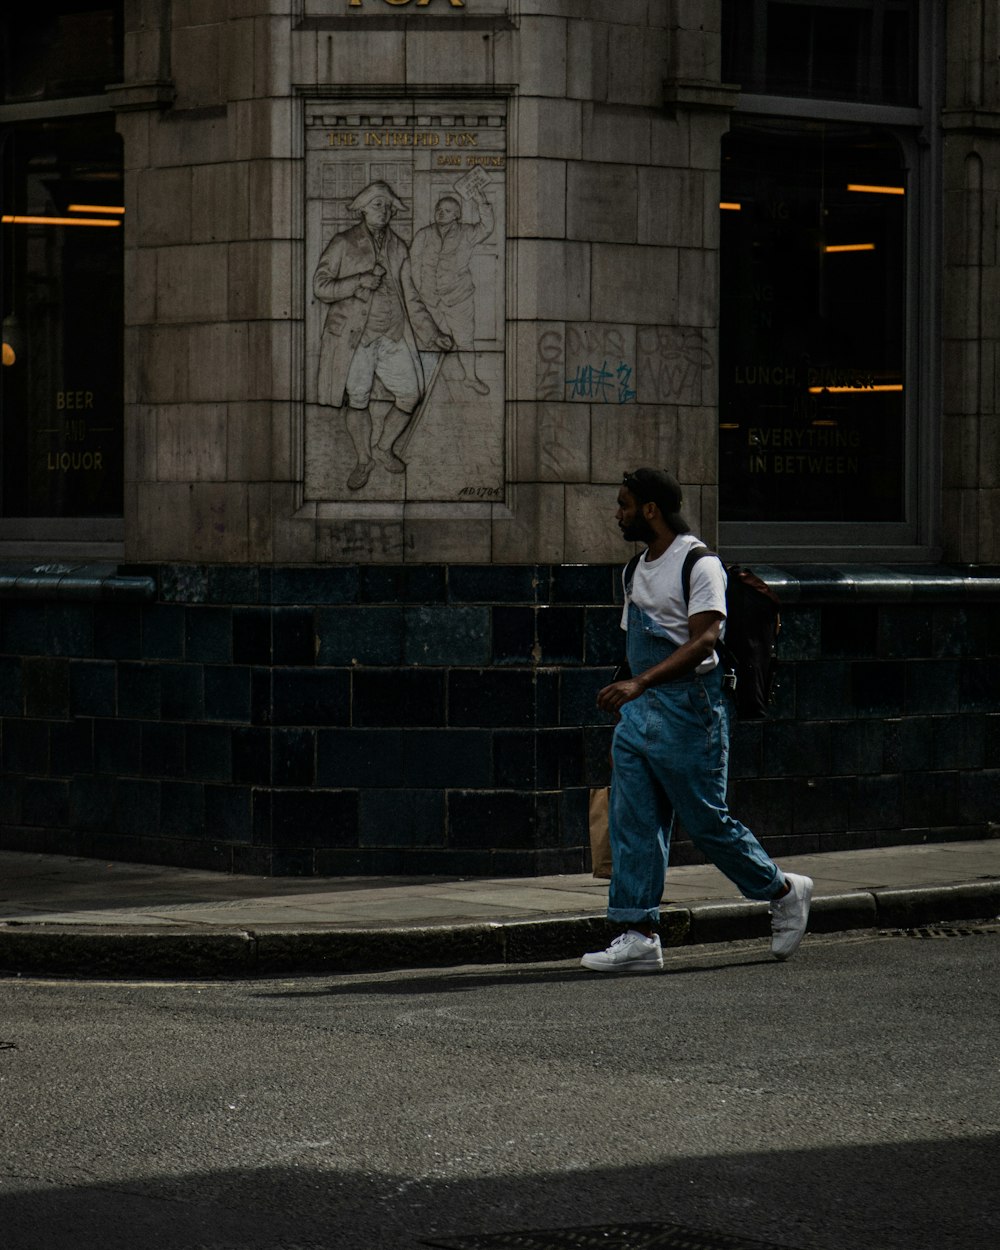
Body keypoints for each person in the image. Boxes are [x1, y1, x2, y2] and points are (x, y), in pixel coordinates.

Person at [581, 467, 813, 973]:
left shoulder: (699, 562)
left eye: (624, 505)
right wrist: (628, 692)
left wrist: (640, 683)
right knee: (633, 819)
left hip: (692, 711)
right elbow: (639, 645)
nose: (617, 514)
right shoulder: (634, 569)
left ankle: (782, 890)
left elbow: (705, 640)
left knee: (708, 823)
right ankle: (638, 932)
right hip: (640, 714)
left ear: (650, 509)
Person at [313, 181, 453, 491]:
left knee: (410, 394)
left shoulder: (398, 246)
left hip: (392, 335)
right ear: (362, 207)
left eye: (389, 206)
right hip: (356, 338)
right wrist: (359, 281)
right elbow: (320, 287)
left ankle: (383, 448)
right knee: (358, 399)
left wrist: (432, 335)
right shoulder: (343, 242)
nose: (385, 211)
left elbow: (412, 296)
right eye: (378, 204)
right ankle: (364, 459)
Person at [409, 188, 494, 394]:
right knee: (429, 339)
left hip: (459, 298)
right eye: (439, 209)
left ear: (457, 215)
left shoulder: (467, 232)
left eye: (447, 210)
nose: (441, 213)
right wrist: (420, 291)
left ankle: (471, 378)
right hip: (430, 300)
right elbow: (414, 263)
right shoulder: (423, 234)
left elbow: (487, 227)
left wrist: (482, 203)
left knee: (465, 340)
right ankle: (424, 384)